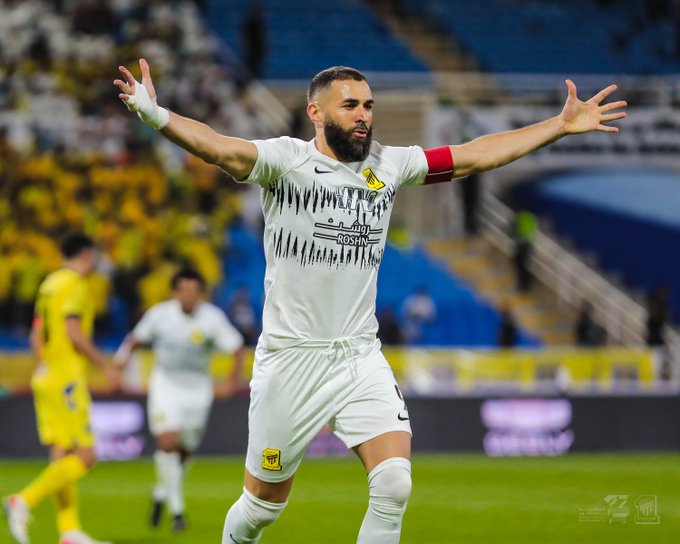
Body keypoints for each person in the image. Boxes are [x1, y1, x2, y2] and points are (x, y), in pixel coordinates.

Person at [114, 58, 626, 543]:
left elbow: (472, 155)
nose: (363, 115)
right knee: (261, 508)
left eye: (368, 105)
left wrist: (557, 126)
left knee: (394, 484)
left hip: (358, 357)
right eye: (350, 105)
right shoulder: (287, 162)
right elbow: (220, 149)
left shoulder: (389, 164)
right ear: (316, 113)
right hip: (291, 361)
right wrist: (157, 115)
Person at [3, 232, 121, 544]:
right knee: (86, 456)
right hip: (66, 378)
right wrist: (105, 365)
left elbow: (36, 334)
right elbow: (73, 331)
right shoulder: (75, 284)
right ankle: (22, 500)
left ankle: (69, 531)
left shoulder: (49, 284)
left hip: (46, 375)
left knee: (62, 456)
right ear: (87, 255)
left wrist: (44, 365)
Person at [114, 268, 244, 532]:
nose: (188, 296)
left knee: (185, 450)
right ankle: (177, 512)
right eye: (183, 290)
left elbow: (236, 347)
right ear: (174, 292)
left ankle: (160, 493)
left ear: (201, 294)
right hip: (166, 384)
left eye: (194, 291)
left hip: (198, 388)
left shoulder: (212, 318)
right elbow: (135, 340)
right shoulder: (160, 315)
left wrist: (231, 382)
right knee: (168, 442)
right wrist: (120, 365)